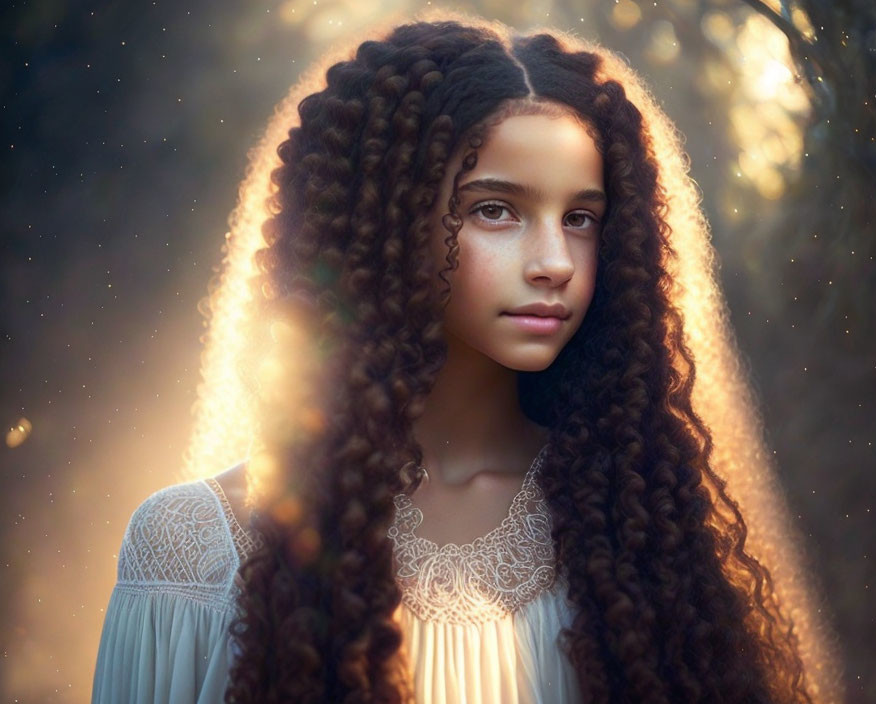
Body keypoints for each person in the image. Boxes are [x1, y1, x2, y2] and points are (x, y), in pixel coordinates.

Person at [92, 11, 826, 704]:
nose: (553, 262)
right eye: (495, 209)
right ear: (377, 225)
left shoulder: (639, 540)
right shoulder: (196, 551)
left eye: (579, 218)